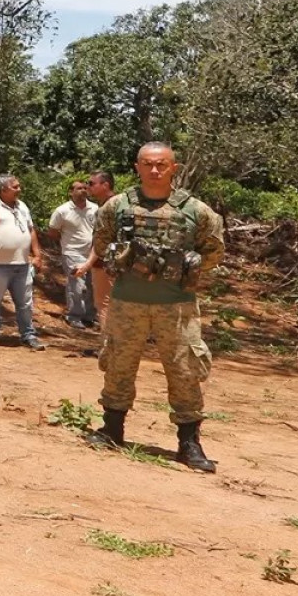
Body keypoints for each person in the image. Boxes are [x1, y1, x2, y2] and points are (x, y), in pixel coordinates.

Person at [79, 143, 226, 472]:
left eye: (162, 165)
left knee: (185, 370)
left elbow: (214, 251)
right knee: (118, 363)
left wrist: (191, 261)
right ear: (137, 167)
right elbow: (101, 243)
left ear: (173, 167)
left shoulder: (196, 211)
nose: (155, 170)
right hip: (127, 301)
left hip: (176, 306)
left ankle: (189, 443)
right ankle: (112, 429)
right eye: (148, 164)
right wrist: (127, 254)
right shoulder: (117, 206)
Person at [0, 174, 44, 349]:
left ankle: (28, 335)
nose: (20, 189)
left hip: (22, 264)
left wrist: (37, 255)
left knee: (25, 302)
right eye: (15, 187)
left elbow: (31, 230)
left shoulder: (22, 206)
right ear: (3, 189)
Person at [49, 178, 99, 329]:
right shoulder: (62, 211)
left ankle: (89, 315)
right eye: (78, 188)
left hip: (92, 252)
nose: (83, 190)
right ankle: (74, 315)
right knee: (76, 285)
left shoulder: (95, 208)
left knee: (92, 285)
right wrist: (66, 245)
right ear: (71, 192)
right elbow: (53, 231)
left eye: (85, 188)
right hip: (72, 252)